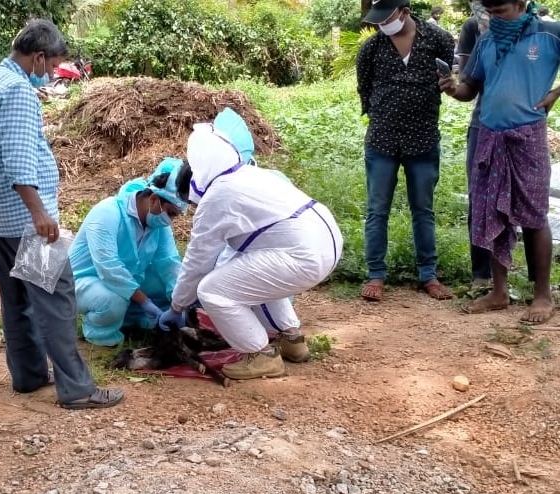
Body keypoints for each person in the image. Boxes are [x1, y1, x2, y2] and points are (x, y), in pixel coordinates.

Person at [0, 19, 123, 409]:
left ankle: (29, 375)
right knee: (56, 301)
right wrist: (39, 213)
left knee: (16, 301)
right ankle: (78, 389)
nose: (52, 74)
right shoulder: (18, 90)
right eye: (52, 66)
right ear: (38, 57)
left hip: (1, 218)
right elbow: (19, 161)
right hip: (28, 222)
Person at [157, 123, 344, 381]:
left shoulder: (216, 197)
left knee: (212, 291)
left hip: (302, 254)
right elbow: (233, 255)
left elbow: (197, 262)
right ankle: (292, 340)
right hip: (324, 241)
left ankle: (262, 356)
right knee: (248, 278)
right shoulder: (248, 175)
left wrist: (177, 306)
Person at [440, 0, 560, 323]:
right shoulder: (487, 40)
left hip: (528, 137)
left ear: (521, 4)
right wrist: (453, 88)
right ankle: (498, 291)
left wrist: (555, 93)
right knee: (490, 210)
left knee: (534, 213)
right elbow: (470, 88)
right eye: (490, 11)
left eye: (500, 11)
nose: (494, 17)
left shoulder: (549, 34)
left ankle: (543, 295)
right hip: (490, 135)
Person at [356, 0, 456, 302]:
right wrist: (384, 114)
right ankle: (376, 274)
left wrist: (449, 84)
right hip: (382, 141)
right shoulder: (371, 48)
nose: (382, 25)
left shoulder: (439, 39)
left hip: (423, 140)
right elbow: (365, 89)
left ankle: (428, 274)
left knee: (423, 210)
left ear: (404, 11)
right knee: (377, 210)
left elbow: (449, 77)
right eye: (378, 21)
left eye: (387, 18)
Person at [68, 158, 185, 346]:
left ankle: (134, 319)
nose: (170, 221)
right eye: (170, 213)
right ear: (154, 199)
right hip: (83, 281)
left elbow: (169, 262)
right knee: (112, 299)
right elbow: (109, 268)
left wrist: (179, 304)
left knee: (168, 283)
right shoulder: (107, 212)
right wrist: (145, 301)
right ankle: (101, 333)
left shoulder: (158, 224)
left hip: (126, 281)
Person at [458, 2, 493, 290]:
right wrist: (453, 87)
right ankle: (482, 275)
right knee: (479, 200)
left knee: (524, 205)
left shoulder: (538, 32)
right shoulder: (475, 29)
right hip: (483, 123)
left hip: (523, 129)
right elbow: (468, 84)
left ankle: (537, 283)